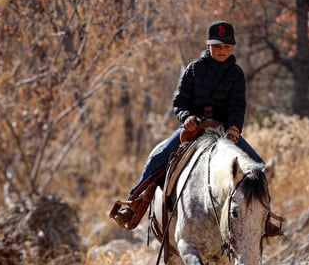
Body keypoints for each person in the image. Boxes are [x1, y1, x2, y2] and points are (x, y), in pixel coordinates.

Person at [111, 20, 264, 229]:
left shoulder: (236, 74)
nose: (222, 50)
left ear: (232, 48)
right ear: (208, 45)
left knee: (258, 166)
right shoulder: (194, 69)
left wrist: (234, 128)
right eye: (217, 46)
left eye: (226, 46)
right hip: (194, 129)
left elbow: (238, 105)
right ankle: (133, 205)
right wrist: (187, 117)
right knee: (158, 157)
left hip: (224, 132)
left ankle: (263, 220)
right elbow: (180, 101)